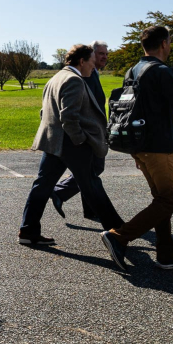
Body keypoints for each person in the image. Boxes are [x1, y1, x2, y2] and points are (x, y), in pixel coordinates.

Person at [101, 26, 173, 272]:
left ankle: (167, 254)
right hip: (159, 147)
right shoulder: (160, 71)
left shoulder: (133, 70)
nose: (170, 45)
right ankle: (118, 236)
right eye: (169, 41)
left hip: (140, 145)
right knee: (169, 201)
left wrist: (137, 149)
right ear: (163, 44)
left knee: (161, 200)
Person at [18, 45, 123, 246]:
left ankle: (28, 230)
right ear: (82, 61)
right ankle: (118, 231)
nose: (93, 68)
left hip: (52, 142)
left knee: (42, 185)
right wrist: (80, 140)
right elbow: (69, 117)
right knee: (91, 184)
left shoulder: (55, 78)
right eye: (92, 63)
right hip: (70, 143)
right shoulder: (74, 80)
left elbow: (44, 112)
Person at [51, 40, 108, 221]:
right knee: (94, 169)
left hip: (92, 131)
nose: (104, 57)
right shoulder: (84, 75)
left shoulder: (94, 73)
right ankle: (60, 192)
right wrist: (81, 137)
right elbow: (74, 109)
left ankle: (90, 210)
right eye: (100, 54)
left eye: (106, 54)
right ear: (89, 57)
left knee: (91, 170)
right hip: (87, 132)